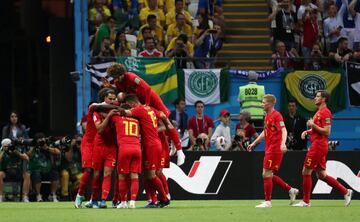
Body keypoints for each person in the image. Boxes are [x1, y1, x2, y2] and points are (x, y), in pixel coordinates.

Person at [105, 63, 185, 166]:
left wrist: (146, 105)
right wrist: (111, 87)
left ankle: (180, 151)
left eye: (118, 76)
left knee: (166, 121)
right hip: (141, 102)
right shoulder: (117, 82)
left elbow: (147, 88)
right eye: (114, 77)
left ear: (122, 73)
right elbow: (126, 95)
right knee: (156, 124)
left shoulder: (131, 77)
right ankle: (172, 143)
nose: (117, 79)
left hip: (151, 99)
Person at [292, 90, 353, 207]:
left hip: (318, 146)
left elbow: (327, 131)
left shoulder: (325, 112)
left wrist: (312, 125)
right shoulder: (318, 112)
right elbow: (317, 129)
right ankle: (346, 191)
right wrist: (308, 131)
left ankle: (305, 201)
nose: (315, 98)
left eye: (317, 96)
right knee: (321, 175)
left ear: (324, 99)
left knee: (306, 171)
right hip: (318, 144)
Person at [247, 94, 298, 208]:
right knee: (268, 174)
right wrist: (254, 143)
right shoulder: (267, 116)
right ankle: (291, 190)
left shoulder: (277, 115)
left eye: (263, 102)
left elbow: (284, 130)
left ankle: (268, 201)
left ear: (269, 104)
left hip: (275, 149)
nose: (261, 104)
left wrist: (283, 144)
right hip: (269, 148)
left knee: (266, 174)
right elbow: (264, 133)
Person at [121, 94, 170, 208]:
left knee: (152, 175)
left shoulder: (138, 110)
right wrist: (152, 130)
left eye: (129, 106)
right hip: (154, 143)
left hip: (151, 146)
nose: (130, 108)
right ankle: (153, 201)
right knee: (148, 175)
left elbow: (124, 113)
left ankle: (164, 198)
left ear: (131, 103)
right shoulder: (150, 108)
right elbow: (162, 115)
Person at [91, 88, 119, 208]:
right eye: (110, 99)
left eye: (114, 99)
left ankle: (103, 200)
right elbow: (100, 130)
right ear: (104, 99)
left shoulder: (117, 110)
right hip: (99, 146)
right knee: (97, 174)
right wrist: (108, 117)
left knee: (108, 174)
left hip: (112, 147)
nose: (112, 101)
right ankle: (94, 200)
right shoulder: (96, 112)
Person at [112, 104, 142, 209]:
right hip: (137, 149)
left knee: (122, 176)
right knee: (134, 176)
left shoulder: (118, 119)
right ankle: (133, 202)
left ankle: (124, 202)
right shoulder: (136, 121)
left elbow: (108, 112)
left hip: (124, 149)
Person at [74, 103, 97, 208]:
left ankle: (93, 199)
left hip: (99, 144)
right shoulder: (87, 116)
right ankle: (79, 195)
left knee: (97, 172)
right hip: (88, 143)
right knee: (88, 170)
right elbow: (84, 126)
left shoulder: (106, 114)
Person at [27, 132, 61, 202]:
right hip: (37, 169)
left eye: (42, 139)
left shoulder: (48, 145)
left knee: (55, 173)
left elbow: (58, 152)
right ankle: (38, 195)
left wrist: (47, 148)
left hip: (48, 169)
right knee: (36, 174)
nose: (41, 141)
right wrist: (35, 147)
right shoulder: (33, 146)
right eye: (39, 140)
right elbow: (28, 155)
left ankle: (53, 195)